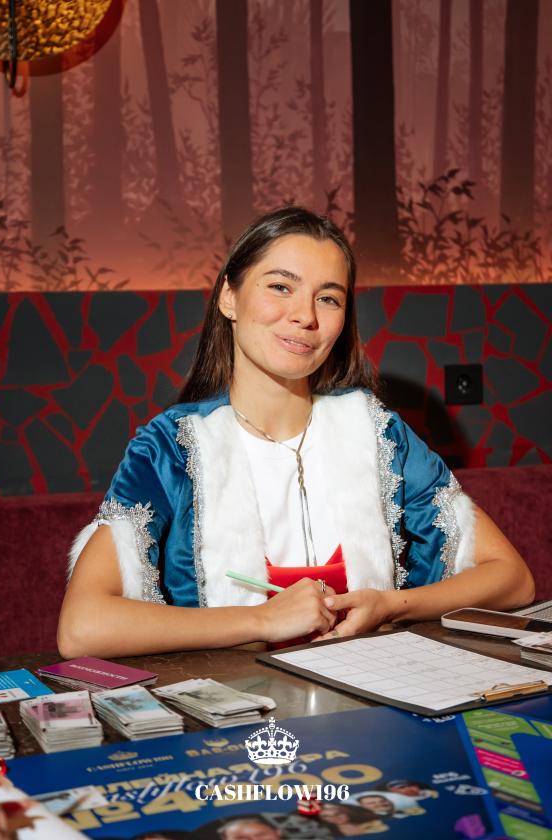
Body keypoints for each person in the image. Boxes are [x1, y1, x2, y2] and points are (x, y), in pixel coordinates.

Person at [57, 206, 534, 658]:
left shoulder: (379, 433)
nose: (305, 316)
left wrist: (390, 605)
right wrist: (261, 620)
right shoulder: (170, 447)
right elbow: (81, 627)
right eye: (281, 286)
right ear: (229, 297)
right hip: (239, 706)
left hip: (375, 695)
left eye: (328, 298)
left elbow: (513, 579)